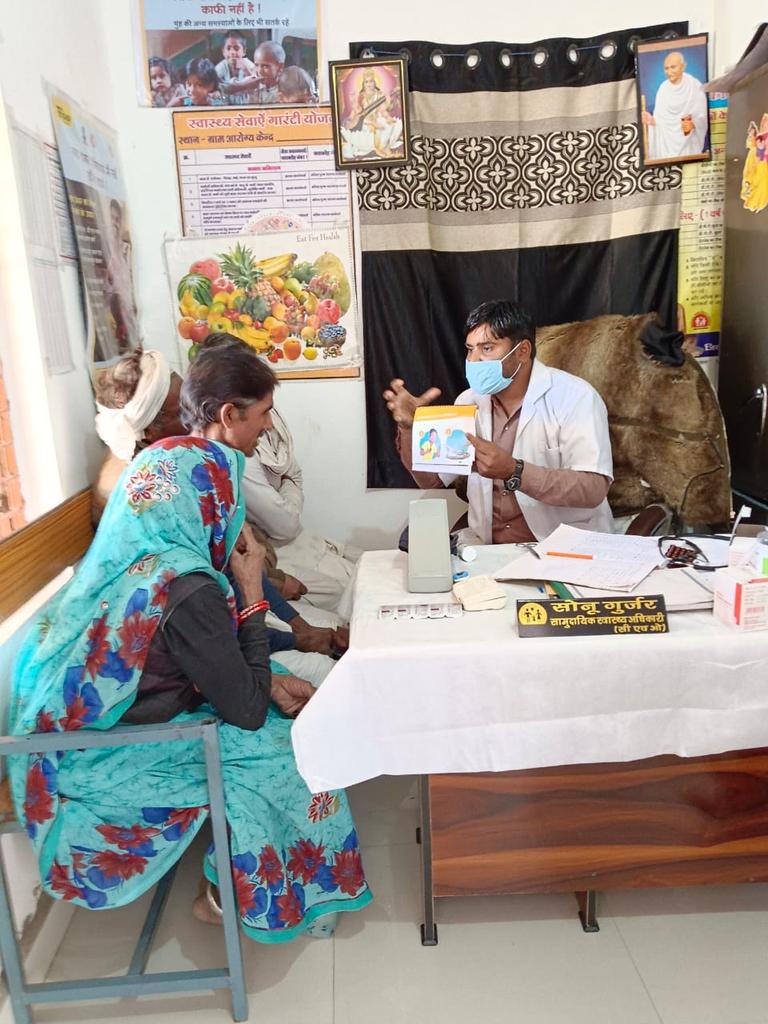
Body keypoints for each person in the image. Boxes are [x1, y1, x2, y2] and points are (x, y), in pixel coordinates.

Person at [9, 346, 372, 942]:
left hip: (91, 724)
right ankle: (246, 896)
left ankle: (234, 882)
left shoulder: (146, 549)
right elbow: (246, 710)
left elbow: (203, 656)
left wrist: (266, 667)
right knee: (289, 751)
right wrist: (254, 593)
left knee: (281, 715)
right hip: (102, 751)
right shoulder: (189, 586)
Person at [91, 347, 346, 681]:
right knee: (325, 668)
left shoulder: (203, 466)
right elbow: (202, 626)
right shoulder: (174, 487)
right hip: (162, 655)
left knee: (330, 630)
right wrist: (296, 636)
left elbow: (234, 565)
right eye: (178, 412)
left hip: (211, 625)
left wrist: (300, 627)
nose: (191, 420)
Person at [383, 300, 614, 543]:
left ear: (522, 351)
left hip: (562, 545)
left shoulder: (575, 397)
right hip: (488, 549)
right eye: (470, 349)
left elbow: (593, 488)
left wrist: (514, 471)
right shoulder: (468, 401)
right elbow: (431, 480)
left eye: (487, 348)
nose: (474, 360)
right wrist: (409, 429)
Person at [241, 406, 359, 612]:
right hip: (279, 550)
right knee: (353, 590)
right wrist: (288, 492)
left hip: (300, 538)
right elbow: (284, 527)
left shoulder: (270, 427)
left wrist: (286, 497)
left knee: (370, 564)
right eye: (263, 412)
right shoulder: (239, 457)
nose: (270, 422)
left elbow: (294, 475)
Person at [641, 51, 708, 161]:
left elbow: (703, 116)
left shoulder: (694, 86)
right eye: (666, 68)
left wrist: (694, 124)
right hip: (666, 145)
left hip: (688, 143)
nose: (669, 72)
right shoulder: (663, 89)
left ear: (683, 66)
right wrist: (652, 122)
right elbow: (660, 121)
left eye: (673, 67)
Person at [341, 68, 402, 160]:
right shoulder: (361, 96)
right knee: (373, 130)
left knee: (390, 125)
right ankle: (380, 147)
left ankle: (383, 148)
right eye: (366, 82)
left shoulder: (380, 94)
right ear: (363, 84)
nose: (369, 84)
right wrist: (350, 118)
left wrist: (388, 102)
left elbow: (384, 109)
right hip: (365, 122)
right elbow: (356, 111)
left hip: (379, 119)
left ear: (375, 82)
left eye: (371, 81)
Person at [104, 199, 139, 349]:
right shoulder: (103, 250)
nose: (114, 222)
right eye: (111, 218)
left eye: (117, 218)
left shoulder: (121, 251)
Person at [215, 30, 258, 105]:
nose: (232, 53)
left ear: (244, 51)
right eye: (228, 48)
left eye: (236, 48)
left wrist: (245, 70)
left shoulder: (247, 64)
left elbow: (256, 82)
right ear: (223, 52)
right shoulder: (221, 66)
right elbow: (213, 81)